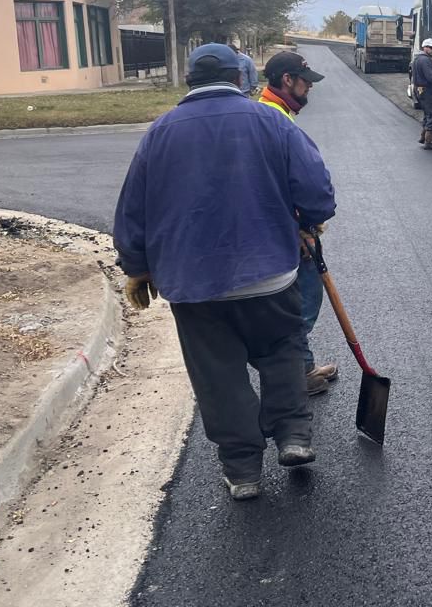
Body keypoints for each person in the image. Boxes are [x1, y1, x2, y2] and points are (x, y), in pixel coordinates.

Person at [113, 43, 336, 501]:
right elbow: (315, 188)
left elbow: (133, 208)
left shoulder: (159, 133)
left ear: (190, 81)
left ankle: (243, 471)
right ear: (241, 79)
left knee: (219, 376)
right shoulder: (272, 121)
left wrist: (136, 267)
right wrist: (309, 220)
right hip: (270, 274)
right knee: (282, 352)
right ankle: (293, 436)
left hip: (194, 286)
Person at [258, 50, 339, 395]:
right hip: (287, 228)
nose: (310, 89)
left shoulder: (272, 112)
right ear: (287, 80)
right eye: (306, 82)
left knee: (299, 299)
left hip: (282, 224)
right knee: (302, 300)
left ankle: (302, 365)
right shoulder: (272, 116)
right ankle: (292, 376)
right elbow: (304, 181)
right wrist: (307, 224)